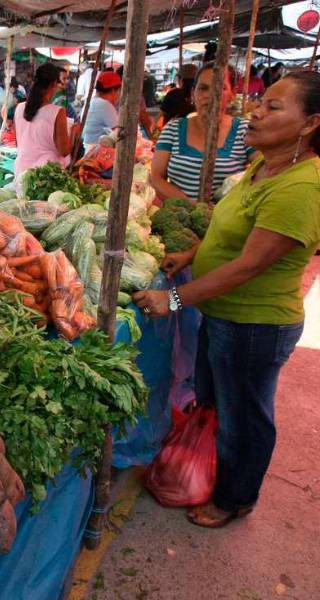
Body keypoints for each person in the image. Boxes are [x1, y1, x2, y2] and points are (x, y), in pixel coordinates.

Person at [134, 71, 320, 528]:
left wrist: (173, 300)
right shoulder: (265, 166)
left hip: (254, 326)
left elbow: (248, 265)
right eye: (261, 101)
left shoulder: (301, 187)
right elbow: (226, 227)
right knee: (215, 404)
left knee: (244, 419)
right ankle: (212, 470)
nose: (256, 111)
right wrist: (191, 253)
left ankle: (235, 500)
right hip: (224, 317)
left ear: (310, 123)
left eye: (274, 107)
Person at [152, 63, 255, 202]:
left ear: (232, 94)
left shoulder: (245, 130)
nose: (210, 95)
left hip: (224, 219)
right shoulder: (173, 129)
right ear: (193, 93)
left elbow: (268, 169)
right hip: (182, 217)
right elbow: (156, 178)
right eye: (203, 88)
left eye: (220, 88)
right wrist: (191, 206)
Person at [13, 63, 79, 180]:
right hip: (45, 177)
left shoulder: (19, 108)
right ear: (54, 84)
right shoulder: (57, 112)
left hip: (21, 174)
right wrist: (73, 132)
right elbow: (64, 151)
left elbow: (19, 144)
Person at [81, 71, 121, 146]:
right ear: (113, 90)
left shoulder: (93, 101)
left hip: (88, 147)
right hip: (96, 151)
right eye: (119, 90)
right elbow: (119, 132)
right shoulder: (104, 105)